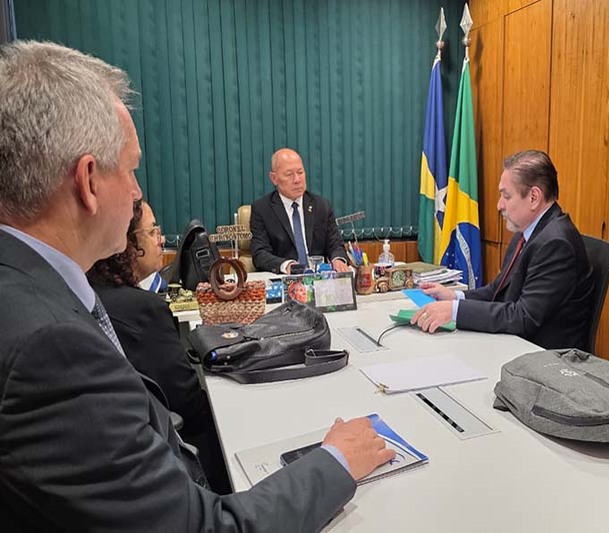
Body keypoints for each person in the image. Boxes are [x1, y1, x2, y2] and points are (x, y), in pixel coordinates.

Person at [0, 40, 394, 532]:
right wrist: (335, 462)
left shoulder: (29, 289)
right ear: (88, 181)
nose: (138, 192)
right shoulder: (50, 349)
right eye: (132, 169)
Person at [87, 199, 231, 494]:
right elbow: (187, 402)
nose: (161, 239)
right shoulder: (143, 309)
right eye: (152, 231)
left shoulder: (92, 291)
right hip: (178, 461)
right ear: (128, 244)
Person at [413, 150, 594, 350]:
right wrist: (455, 297)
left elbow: (523, 317)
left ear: (534, 197)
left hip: (544, 356)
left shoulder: (557, 244)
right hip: (515, 345)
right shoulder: (526, 233)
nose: (499, 205)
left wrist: (455, 312)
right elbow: (497, 291)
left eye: (506, 196)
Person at [250, 148, 348, 274]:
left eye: (300, 172)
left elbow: (335, 244)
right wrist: (287, 265)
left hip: (318, 278)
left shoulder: (321, 205)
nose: (297, 180)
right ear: (274, 178)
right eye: (289, 174)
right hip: (285, 279)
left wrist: (338, 260)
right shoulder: (262, 209)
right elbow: (260, 254)